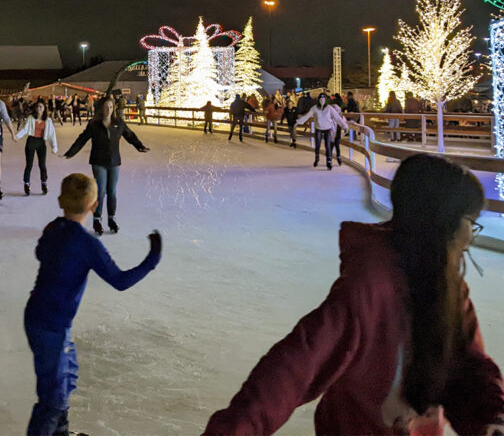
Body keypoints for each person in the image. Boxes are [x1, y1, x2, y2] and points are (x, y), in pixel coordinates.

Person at [202, 154, 504, 436]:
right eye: (469, 222)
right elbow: (296, 366)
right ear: (440, 223)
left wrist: (492, 418)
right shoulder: (370, 288)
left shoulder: (448, 286)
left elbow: (467, 365)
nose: (470, 237)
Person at [25, 173, 162, 436]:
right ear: (94, 205)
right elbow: (120, 281)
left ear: (60, 200)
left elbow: (40, 252)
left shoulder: (55, 229)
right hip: (51, 325)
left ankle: (61, 433)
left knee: (66, 378)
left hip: (40, 317)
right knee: (52, 400)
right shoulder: (87, 243)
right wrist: (152, 260)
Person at [64, 96, 149, 235]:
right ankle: (97, 220)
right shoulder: (94, 124)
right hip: (98, 162)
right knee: (101, 191)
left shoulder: (118, 123)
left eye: (110, 107)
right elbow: (82, 139)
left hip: (114, 162)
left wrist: (139, 146)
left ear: (113, 108)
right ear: (101, 109)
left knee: (112, 192)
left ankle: (111, 219)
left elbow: (129, 135)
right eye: (105, 107)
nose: (108, 110)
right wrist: (71, 152)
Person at [296, 92, 363, 170]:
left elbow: (337, 118)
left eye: (324, 99)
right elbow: (307, 116)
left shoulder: (329, 108)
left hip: (328, 129)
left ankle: (329, 161)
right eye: (321, 99)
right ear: (318, 100)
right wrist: (299, 121)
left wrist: (344, 126)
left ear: (326, 100)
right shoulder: (315, 108)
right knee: (317, 145)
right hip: (318, 129)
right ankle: (317, 157)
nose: (322, 101)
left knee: (328, 146)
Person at [15, 100, 58, 196]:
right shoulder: (30, 118)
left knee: (42, 165)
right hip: (31, 141)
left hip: (41, 143)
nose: (39, 108)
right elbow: (25, 129)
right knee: (29, 165)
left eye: (41, 107)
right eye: (37, 106)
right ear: (35, 108)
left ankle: (44, 183)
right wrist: (17, 136)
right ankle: (26, 184)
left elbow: (52, 134)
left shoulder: (48, 120)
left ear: (44, 109)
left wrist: (54, 146)